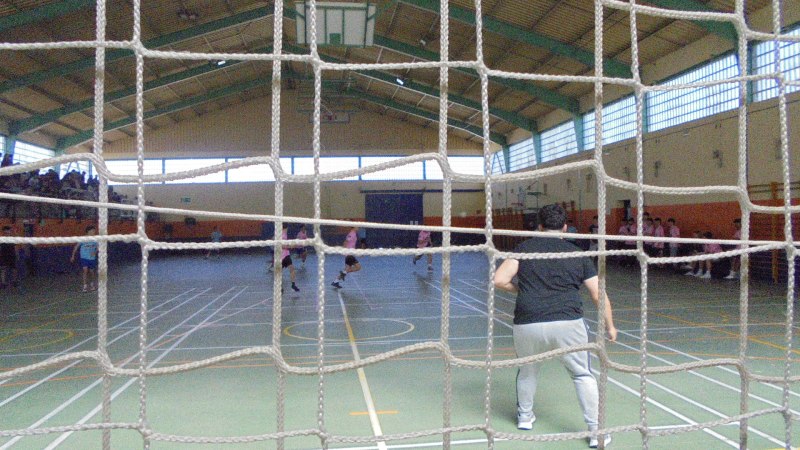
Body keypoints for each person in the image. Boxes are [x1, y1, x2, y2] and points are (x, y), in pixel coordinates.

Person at [493, 204, 616, 448]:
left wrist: (522, 290)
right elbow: (597, 294)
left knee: (527, 370)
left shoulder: (524, 249)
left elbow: (499, 280)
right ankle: (596, 432)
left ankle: (525, 418)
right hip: (568, 322)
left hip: (528, 321)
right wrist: (610, 325)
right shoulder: (576, 253)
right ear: (565, 227)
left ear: (539, 226)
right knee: (582, 374)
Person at [70, 225, 98, 292]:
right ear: (88, 231)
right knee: (85, 271)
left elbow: (98, 247)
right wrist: (73, 256)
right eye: (92, 231)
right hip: (84, 257)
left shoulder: (96, 239)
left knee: (91, 272)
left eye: (94, 231)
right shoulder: (83, 239)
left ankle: (92, 284)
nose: (94, 232)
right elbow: (76, 247)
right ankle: (85, 286)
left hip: (92, 258)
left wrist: (95, 252)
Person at [275, 223, 299, 292]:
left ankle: (293, 285)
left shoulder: (284, 234)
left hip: (286, 255)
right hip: (281, 256)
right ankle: (279, 286)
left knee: (292, 268)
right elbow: (281, 245)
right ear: (286, 228)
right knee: (279, 272)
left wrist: (291, 245)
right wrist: (290, 247)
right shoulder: (281, 235)